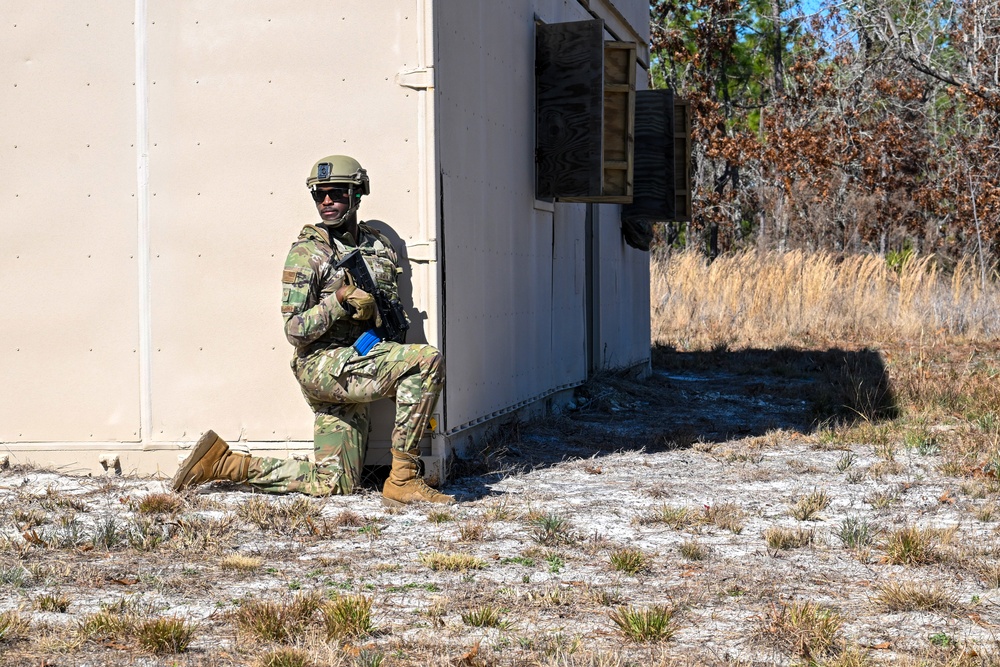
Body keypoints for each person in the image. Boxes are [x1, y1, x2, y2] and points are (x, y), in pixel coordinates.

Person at [171, 155, 454, 506]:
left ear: (358, 195)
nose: (326, 202)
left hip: (362, 356)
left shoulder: (380, 246)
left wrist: (374, 315)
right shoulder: (308, 252)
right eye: (319, 195)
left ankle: (226, 463)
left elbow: (390, 316)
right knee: (427, 360)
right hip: (322, 365)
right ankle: (403, 480)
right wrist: (338, 301)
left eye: (336, 193)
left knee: (334, 484)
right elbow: (294, 330)